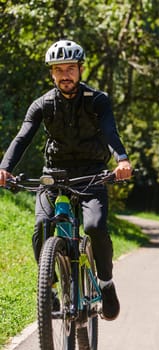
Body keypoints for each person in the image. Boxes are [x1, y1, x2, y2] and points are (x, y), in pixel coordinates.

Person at [0, 40, 132, 321]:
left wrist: (121, 159)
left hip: (92, 173)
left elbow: (110, 131)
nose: (65, 75)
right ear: (52, 74)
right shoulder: (43, 104)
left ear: (80, 70)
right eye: (58, 70)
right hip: (55, 174)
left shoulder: (98, 101)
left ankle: (106, 284)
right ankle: (50, 290)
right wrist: (5, 168)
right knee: (42, 225)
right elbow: (23, 137)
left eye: (70, 69)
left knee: (95, 226)